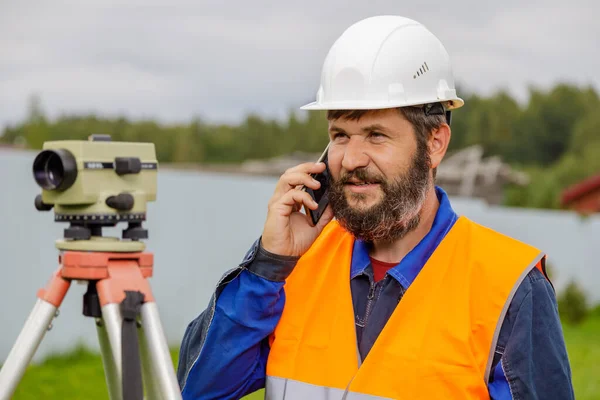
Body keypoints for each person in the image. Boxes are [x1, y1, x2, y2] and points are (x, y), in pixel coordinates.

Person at [176, 15, 574, 399]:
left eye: (376, 135)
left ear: (435, 143)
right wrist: (269, 263)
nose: (350, 159)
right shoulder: (292, 268)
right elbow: (200, 388)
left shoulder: (508, 289)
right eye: (340, 135)